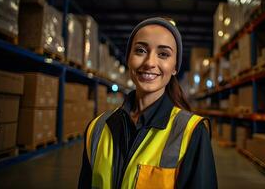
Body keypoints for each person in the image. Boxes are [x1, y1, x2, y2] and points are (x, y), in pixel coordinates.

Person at [78, 17, 217, 189]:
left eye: (163, 54)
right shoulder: (97, 128)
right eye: (141, 51)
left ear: (174, 67)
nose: (150, 63)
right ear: (129, 58)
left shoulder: (191, 132)